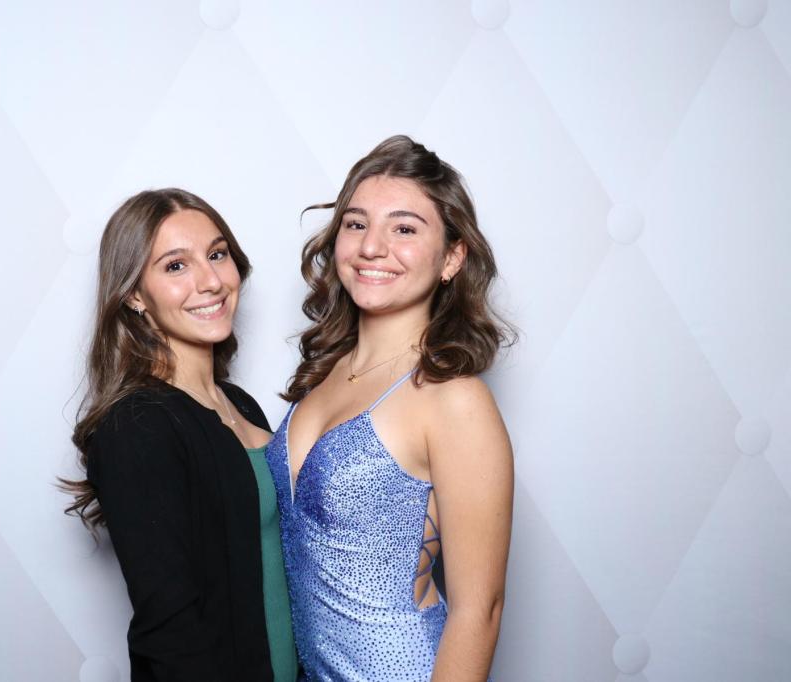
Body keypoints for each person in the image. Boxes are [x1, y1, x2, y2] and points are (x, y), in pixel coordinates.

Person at [264, 136, 516, 681]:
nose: (372, 247)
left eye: (404, 229)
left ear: (452, 257)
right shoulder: (323, 375)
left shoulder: (453, 399)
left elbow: (481, 610)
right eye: (356, 224)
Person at [60, 188, 297, 681]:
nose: (210, 281)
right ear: (133, 294)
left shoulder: (240, 404)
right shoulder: (136, 425)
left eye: (217, 254)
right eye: (175, 266)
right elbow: (171, 631)